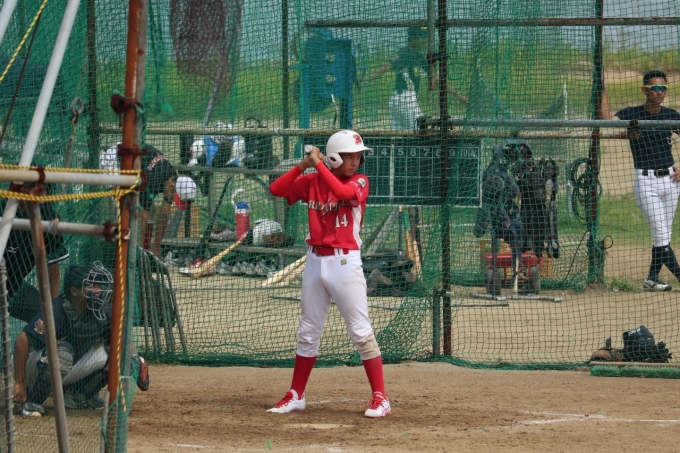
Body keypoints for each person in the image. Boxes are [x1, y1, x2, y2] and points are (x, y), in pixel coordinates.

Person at [267, 130, 390, 418]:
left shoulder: (360, 181)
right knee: (308, 331)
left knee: (360, 331)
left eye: (358, 156)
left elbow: (343, 193)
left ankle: (381, 398)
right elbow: (277, 189)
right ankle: (296, 395)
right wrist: (304, 164)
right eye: (349, 156)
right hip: (314, 261)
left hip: (344, 262)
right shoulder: (312, 181)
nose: (356, 161)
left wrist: (319, 165)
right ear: (334, 157)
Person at [12, 261, 149, 417]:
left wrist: (133, 359)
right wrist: (20, 382)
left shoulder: (102, 312)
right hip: (32, 366)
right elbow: (21, 340)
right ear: (74, 291)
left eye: (98, 285)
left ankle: (77, 396)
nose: (97, 291)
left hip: (66, 367)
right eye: (91, 286)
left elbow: (122, 339)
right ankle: (30, 402)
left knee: (115, 354)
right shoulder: (57, 310)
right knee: (63, 354)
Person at [603, 70, 680, 291]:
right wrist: (602, 90)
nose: (659, 92)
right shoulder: (632, 113)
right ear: (645, 90)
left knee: (664, 235)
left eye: (663, 88)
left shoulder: (670, 115)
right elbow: (606, 122)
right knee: (661, 234)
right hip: (646, 181)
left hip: (671, 180)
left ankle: (651, 279)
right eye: (655, 88)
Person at [366, 26, 467, 130]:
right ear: (413, 38)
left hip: (399, 100)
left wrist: (457, 95)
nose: (424, 41)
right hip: (405, 99)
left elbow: (436, 79)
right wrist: (366, 79)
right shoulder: (403, 53)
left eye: (425, 38)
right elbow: (385, 67)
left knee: (401, 134)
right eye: (421, 37)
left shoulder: (420, 58)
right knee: (420, 128)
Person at [1, 183, 69, 323]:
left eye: (44, 188)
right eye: (34, 187)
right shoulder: (3, 210)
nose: (41, 193)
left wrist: (53, 306)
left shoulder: (48, 219)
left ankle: (38, 336)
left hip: (13, 288)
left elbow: (52, 266)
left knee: (54, 317)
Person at [101, 143, 177, 258]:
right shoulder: (153, 179)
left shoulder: (172, 175)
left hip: (131, 165)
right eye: (174, 197)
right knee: (120, 209)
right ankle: (129, 252)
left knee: (151, 210)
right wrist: (140, 256)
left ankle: (145, 249)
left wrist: (156, 248)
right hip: (114, 160)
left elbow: (165, 213)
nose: (173, 200)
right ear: (171, 186)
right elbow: (143, 216)